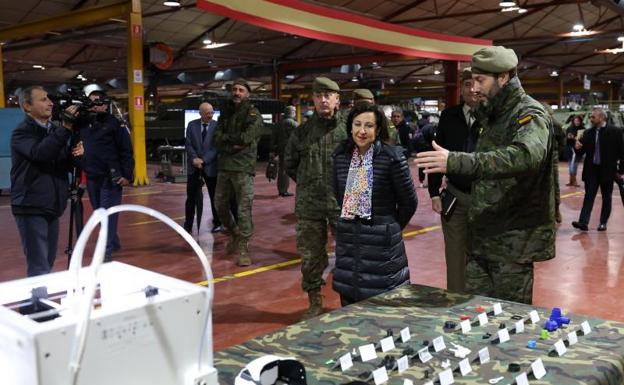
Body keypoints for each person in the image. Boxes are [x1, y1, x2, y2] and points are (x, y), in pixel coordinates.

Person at [415, 46, 557, 304]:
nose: (475, 88)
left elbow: (526, 156)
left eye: (481, 80)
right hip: (482, 233)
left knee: (510, 317)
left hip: (512, 240)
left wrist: (456, 161)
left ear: (503, 77)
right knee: (476, 311)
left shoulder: (529, 114)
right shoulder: (493, 113)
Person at [332, 103, 417, 306]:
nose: (362, 131)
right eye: (357, 124)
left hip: (382, 244)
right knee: (350, 302)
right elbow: (338, 193)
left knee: (384, 305)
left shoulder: (392, 157)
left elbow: (409, 202)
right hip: (349, 241)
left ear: (378, 129)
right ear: (350, 127)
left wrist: (389, 227)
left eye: (369, 126)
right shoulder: (341, 156)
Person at [285, 77, 347, 320]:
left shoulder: (349, 130)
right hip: (310, 203)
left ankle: (350, 298)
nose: (323, 99)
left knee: (350, 251)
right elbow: (291, 164)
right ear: (312, 99)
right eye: (319, 95)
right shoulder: (302, 132)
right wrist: (310, 182)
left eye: (328, 95)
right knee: (311, 254)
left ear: (337, 100)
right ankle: (314, 300)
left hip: (343, 202)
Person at [11, 86, 83, 276]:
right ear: (27, 106)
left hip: (52, 205)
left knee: (48, 261)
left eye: (49, 99)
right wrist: (65, 129)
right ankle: (38, 305)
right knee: (39, 265)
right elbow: (41, 153)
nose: (50, 103)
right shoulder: (22, 132)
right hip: (31, 205)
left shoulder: (54, 130)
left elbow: (62, 163)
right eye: (43, 99)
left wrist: (76, 155)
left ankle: (37, 304)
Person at [427, 67, 480, 294]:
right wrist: (433, 192)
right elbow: (437, 153)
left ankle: (483, 304)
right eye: (467, 84)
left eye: (477, 83)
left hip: (486, 198)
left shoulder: (495, 117)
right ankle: (456, 305)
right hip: (456, 196)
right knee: (455, 255)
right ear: (461, 89)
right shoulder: (449, 116)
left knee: (484, 255)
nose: (472, 89)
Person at [78, 90, 134, 262]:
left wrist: (127, 175)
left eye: (100, 102)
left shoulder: (115, 124)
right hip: (92, 175)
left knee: (108, 213)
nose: (96, 105)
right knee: (99, 211)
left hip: (111, 177)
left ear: (106, 103)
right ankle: (113, 241)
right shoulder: (84, 124)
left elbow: (126, 150)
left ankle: (106, 249)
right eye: (92, 102)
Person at [214, 80, 263, 266]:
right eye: (234, 89)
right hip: (225, 166)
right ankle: (234, 233)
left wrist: (229, 141)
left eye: (241, 90)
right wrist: (231, 142)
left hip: (243, 167)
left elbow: (246, 138)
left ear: (247, 94)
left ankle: (243, 247)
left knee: (244, 209)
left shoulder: (253, 114)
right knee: (219, 205)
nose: (236, 92)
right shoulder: (225, 113)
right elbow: (216, 139)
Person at [571, 108, 624, 231]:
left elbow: (622, 152)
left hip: (608, 171)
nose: (591, 119)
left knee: (607, 197)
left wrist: (621, 171)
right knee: (589, 196)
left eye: (593, 117)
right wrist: (577, 147)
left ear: (601, 118)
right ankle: (583, 222)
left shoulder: (615, 132)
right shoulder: (588, 133)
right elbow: (581, 151)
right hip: (591, 171)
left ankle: (603, 223)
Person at [183, 102, 223, 233]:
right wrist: (194, 159)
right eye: (207, 113)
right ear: (200, 113)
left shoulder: (217, 126)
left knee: (214, 197)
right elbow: (188, 144)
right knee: (191, 198)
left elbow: (216, 147)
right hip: (194, 167)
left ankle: (217, 223)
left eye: (211, 112)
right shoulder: (191, 125)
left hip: (210, 167)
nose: (210, 115)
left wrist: (204, 161)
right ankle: (188, 225)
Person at [271, 106, 298, 197]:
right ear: (292, 113)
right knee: (286, 171)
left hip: (280, 150)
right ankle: (284, 190)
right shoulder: (294, 124)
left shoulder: (278, 124)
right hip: (290, 150)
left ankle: (281, 189)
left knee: (282, 169)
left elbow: (273, 138)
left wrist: (274, 150)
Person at [565, 115, 584, 187]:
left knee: (575, 165)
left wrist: (578, 141)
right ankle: (571, 180)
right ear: (573, 121)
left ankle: (574, 180)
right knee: (570, 165)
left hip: (578, 150)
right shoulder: (569, 128)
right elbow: (567, 139)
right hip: (570, 149)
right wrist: (571, 138)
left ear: (580, 121)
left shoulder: (583, 129)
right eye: (575, 121)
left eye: (578, 121)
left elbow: (583, 139)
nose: (577, 122)